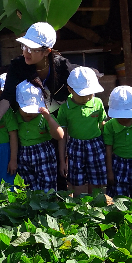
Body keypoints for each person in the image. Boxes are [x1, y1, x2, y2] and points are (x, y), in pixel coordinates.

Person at [0, 22, 74, 141]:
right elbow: (7, 95)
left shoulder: (63, 67)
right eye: (24, 46)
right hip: (27, 127)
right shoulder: (17, 66)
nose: (26, 52)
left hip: (57, 125)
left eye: (31, 49)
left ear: (47, 51)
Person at [56, 67, 107, 197]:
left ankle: (96, 206)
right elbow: (62, 136)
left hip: (96, 146)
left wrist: (107, 149)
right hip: (75, 147)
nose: (87, 97)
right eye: (82, 94)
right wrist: (62, 160)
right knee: (77, 181)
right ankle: (80, 206)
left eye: (90, 93)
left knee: (96, 181)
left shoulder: (98, 103)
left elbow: (103, 127)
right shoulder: (65, 108)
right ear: (70, 89)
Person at [14, 80, 65, 191]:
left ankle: (47, 201)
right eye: (25, 109)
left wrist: (49, 119)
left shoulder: (44, 117)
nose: (29, 113)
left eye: (33, 110)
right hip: (23, 154)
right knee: (27, 185)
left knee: (47, 183)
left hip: (44, 154)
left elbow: (60, 135)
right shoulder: (16, 117)